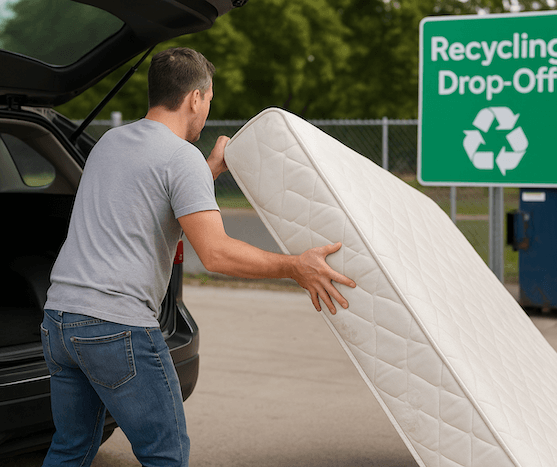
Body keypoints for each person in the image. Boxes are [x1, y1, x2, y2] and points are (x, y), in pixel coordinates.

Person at [41, 47, 356, 467]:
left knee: (71, 449)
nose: (208, 109)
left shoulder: (111, 143)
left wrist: (210, 167)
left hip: (60, 321)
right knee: (165, 454)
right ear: (194, 98)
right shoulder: (179, 157)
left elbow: (153, 197)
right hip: (116, 328)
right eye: (209, 100)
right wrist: (295, 266)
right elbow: (217, 254)